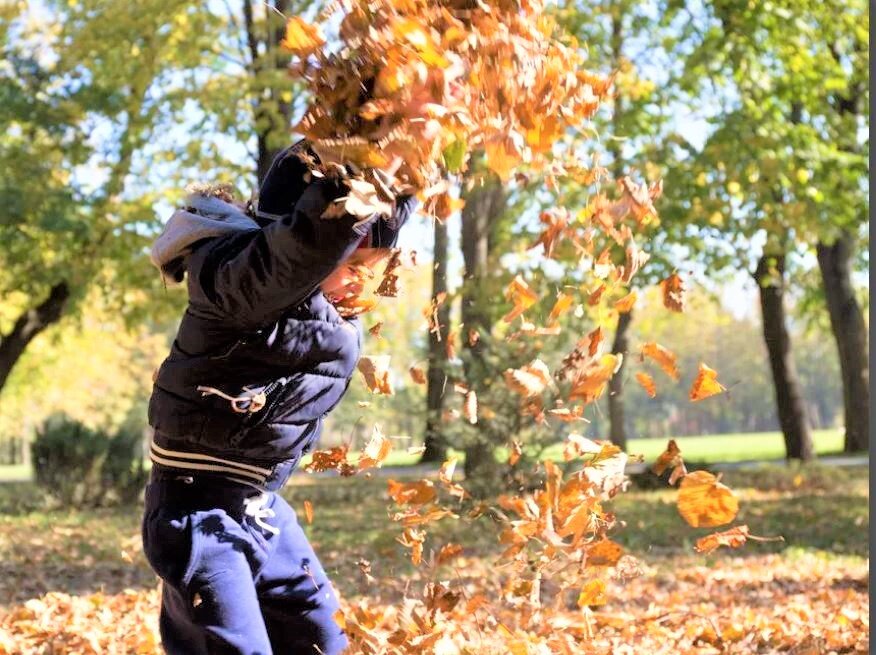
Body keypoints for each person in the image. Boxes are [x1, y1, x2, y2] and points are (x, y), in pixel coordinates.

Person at [142, 139, 416, 655]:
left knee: (320, 636)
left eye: (375, 267)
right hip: (196, 509)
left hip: (262, 506)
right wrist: (345, 184)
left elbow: (366, 222)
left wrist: (396, 153)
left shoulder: (330, 317)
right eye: (351, 264)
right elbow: (298, 252)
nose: (362, 282)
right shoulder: (239, 279)